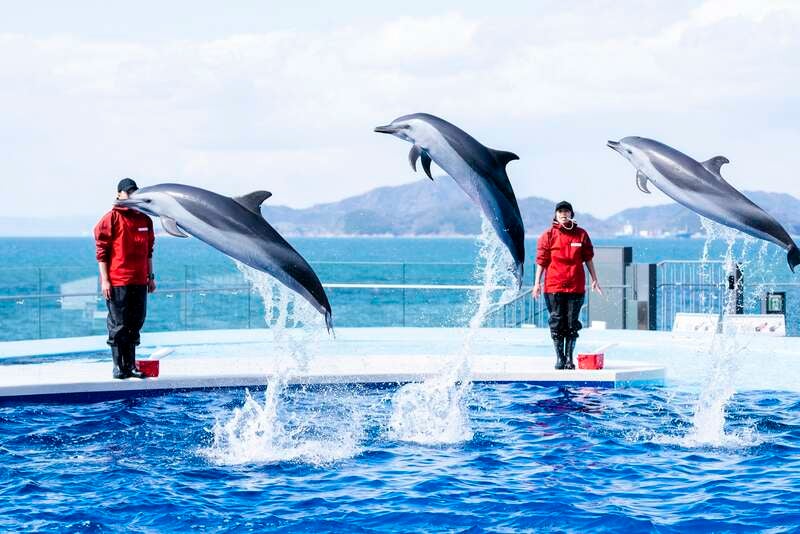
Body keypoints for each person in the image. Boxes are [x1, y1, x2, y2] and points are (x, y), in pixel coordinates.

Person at [94, 178, 156, 379]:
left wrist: (151, 277)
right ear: (119, 194)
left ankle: (131, 366)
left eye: (134, 192)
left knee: (135, 323)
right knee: (119, 325)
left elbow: (149, 252)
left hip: (139, 281)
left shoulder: (145, 220)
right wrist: (105, 280)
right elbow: (101, 253)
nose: (131, 196)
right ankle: (118, 367)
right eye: (128, 192)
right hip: (118, 280)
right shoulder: (111, 219)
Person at [533, 201, 602, 370]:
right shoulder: (548, 235)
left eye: (567, 211)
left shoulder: (581, 235)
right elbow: (541, 261)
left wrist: (594, 279)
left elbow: (588, 259)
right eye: (560, 211)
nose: (563, 214)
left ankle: (570, 358)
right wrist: (536, 284)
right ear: (555, 215)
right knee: (557, 322)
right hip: (554, 287)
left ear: (572, 214)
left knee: (572, 323)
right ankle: (560, 357)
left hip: (575, 287)